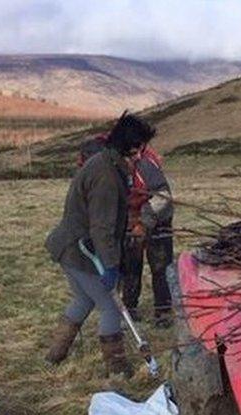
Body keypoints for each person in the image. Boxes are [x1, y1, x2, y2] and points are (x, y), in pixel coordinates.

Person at [43, 112, 157, 376]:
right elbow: (102, 227)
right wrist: (110, 266)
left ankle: (55, 355)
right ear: (127, 146)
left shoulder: (106, 162)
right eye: (139, 149)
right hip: (79, 250)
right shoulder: (106, 176)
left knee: (84, 298)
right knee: (110, 307)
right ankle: (117, 368)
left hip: (74, 247)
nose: (141, 155)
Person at [78, 134, 174, 327]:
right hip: (129, 217)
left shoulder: (142, 165)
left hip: (157, 216)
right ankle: (130, 309)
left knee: (159, 265)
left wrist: (144, 222)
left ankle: (163, 312)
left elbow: (163, 196)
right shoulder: (96, 172)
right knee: (130, 265)